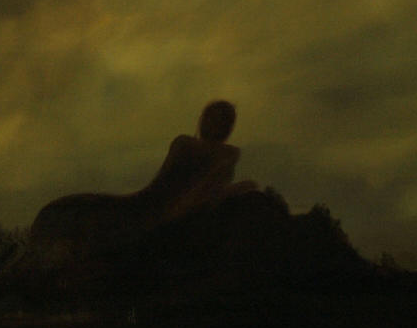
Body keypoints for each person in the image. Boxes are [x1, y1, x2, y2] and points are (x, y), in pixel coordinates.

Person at [27, 100, 257, 268]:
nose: (216, 125)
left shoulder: (219, 152)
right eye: (212, 118)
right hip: (160, 211)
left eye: (222, 121)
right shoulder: (192, 145)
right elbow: (166, 190)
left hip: (175, 213)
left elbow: (204, 190)